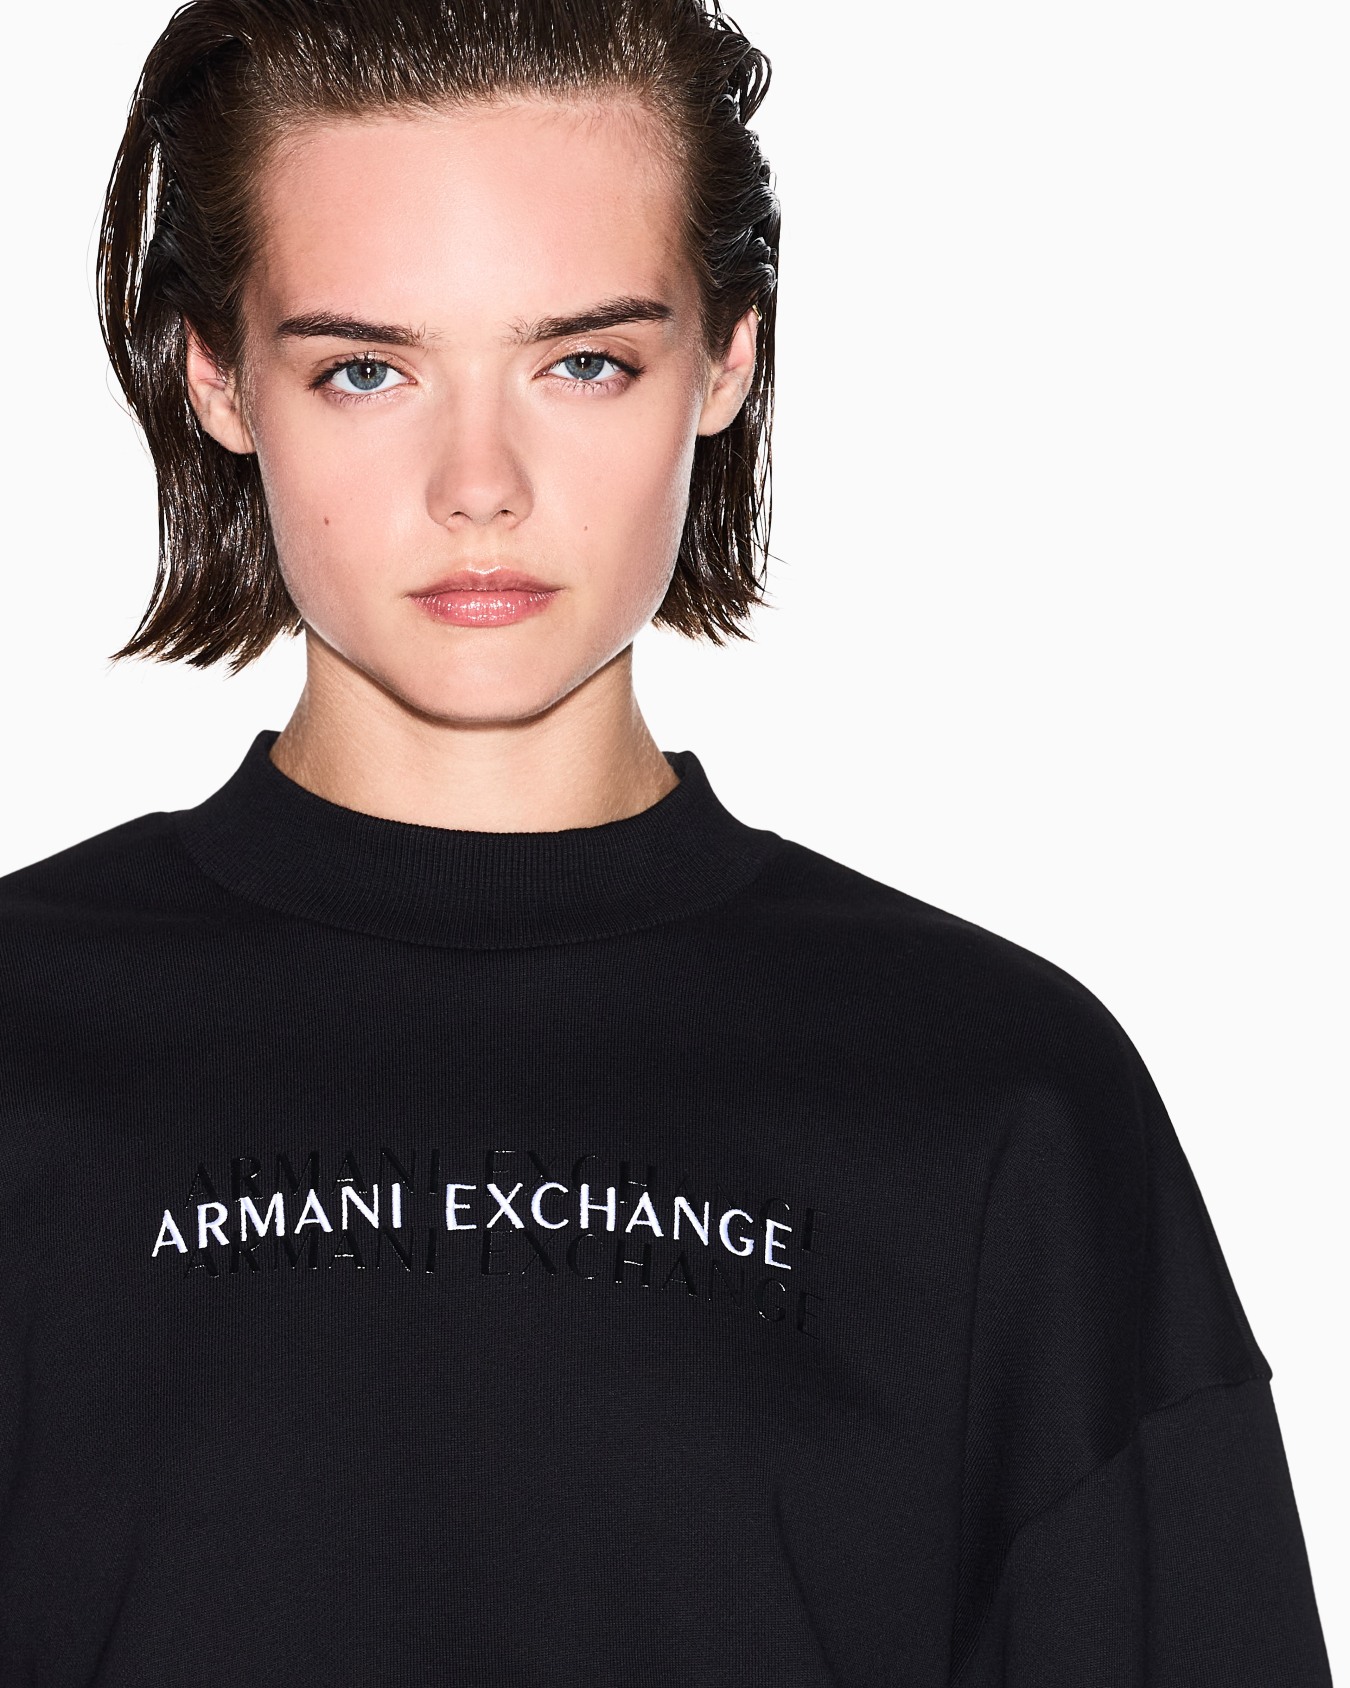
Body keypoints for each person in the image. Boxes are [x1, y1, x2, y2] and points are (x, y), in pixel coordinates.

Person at [0, 0, 1333, 1681]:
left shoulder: (994, 1094)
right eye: (365, 368)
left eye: (582, 363)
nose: (477, 483)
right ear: (218, 379)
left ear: (725, 364)